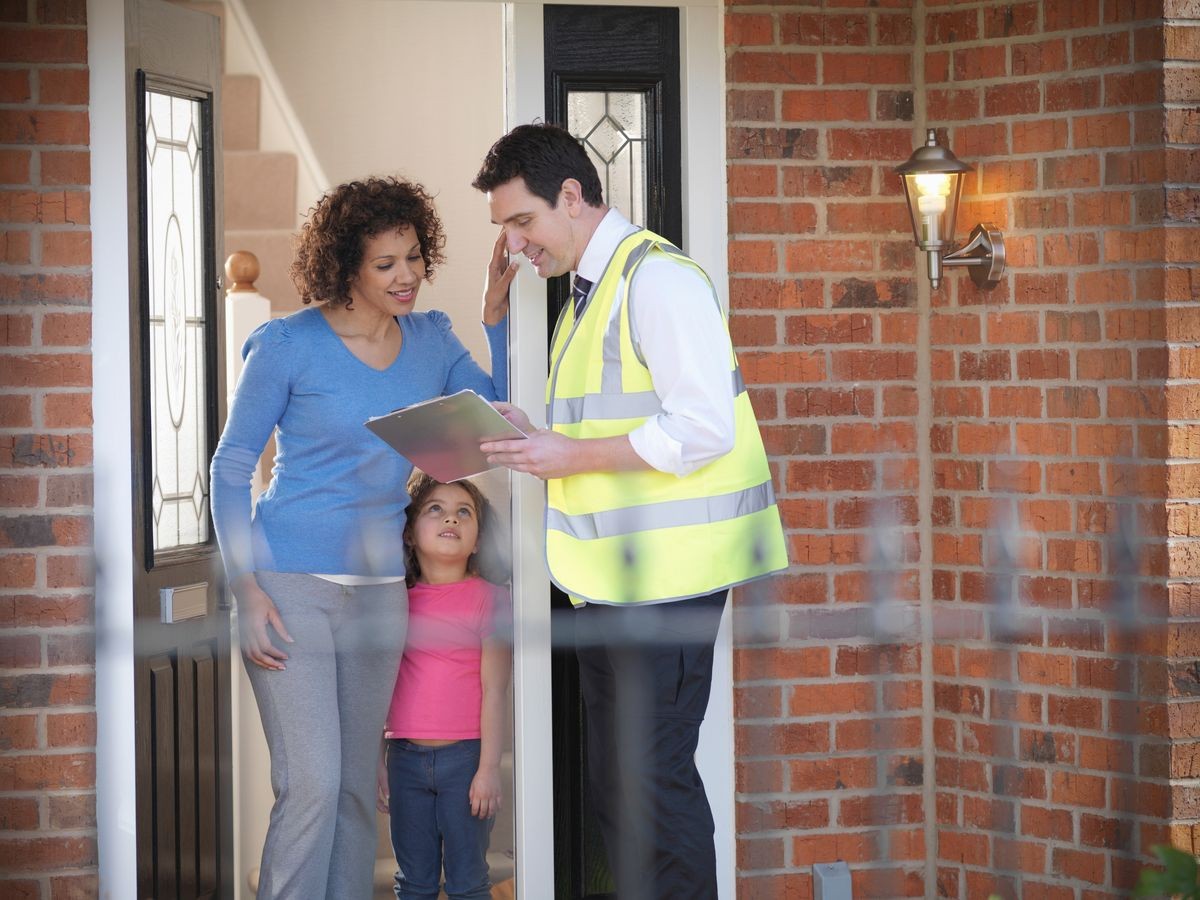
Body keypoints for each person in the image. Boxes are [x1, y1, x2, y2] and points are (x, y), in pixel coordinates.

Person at [472, 123, 789, 900]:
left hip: (666, 586)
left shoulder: (659, 280)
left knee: (653, 792)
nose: (516, 245)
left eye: (522, 222)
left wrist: (568, 455)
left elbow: (703, 426)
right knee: (619, 793)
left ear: (572, 197)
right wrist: (541, 439)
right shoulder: (587, 292)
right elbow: (604, 425)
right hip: (608, 586)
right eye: (506, 229)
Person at [209, 176, 517, 900]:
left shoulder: (433, 340)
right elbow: (229, 467)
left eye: (413, 257)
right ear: (347, 265)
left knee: (352, 790)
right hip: (289, 586)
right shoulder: (287, 345)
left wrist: (494, 319)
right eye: (386, 264)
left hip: (381, 596)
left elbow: (494, 417)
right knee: (311, 784)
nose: (406, 275)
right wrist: (245, 588)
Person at [376, 470, 512, 900]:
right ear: (411, 533)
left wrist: (489, 768)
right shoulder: (393, 599)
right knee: (413, 882)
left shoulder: (492, 599)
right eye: (435, 509)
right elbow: (378, 683)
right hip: (404, 758)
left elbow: (495, 690)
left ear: (477, 541)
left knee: (468, 881)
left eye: (463, 513)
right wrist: (377, 759)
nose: (450, 519)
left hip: (466, 760)